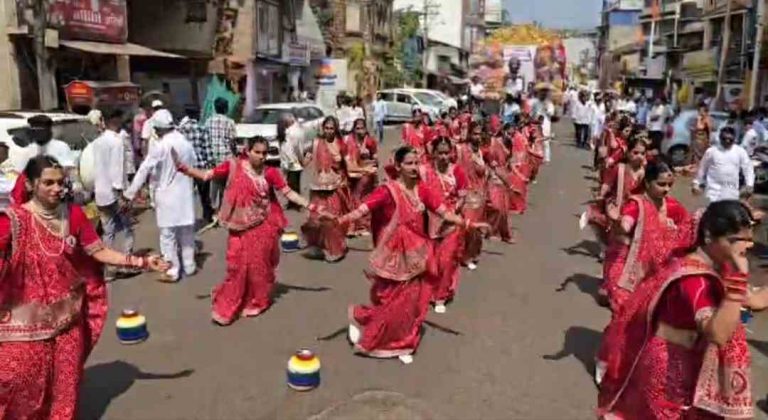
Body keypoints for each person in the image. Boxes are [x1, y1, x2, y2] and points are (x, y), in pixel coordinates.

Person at [0, 156, 168, 419]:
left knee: (65, 385)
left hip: (67, 318)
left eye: (60, 182)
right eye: (48, 183)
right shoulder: (13, 221)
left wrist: (142, 261)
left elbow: (99, 251)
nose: (56, 188)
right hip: (24, 322)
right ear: (31, 184)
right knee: (19, 381)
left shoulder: (73, 214)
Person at [597, 200, 754, 419]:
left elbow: (753, 301)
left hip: (679, 363)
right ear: (709, 236)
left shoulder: (707, 265)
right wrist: (738, 281)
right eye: (735, 240)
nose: (745, 247)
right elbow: (718, 333)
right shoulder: (695, 279)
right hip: (672, 373)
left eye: (748, 239)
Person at [339, 146, 477, 364]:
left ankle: (402, 341)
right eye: (409, 163)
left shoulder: (422, 190)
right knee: (392, 301)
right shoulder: (388, 191)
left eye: (416, 163)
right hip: (394, 257)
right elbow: (362, 210)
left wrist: (468, 223)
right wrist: (339, 221)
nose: (414, 168)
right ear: (398, 166)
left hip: (418, 253)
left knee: (411, 301)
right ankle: (364, 319)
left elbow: (444, 212)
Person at [176, 137, 316, 325]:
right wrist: (184, 169)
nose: (261, 157)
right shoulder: (233, 166)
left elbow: (288, 193)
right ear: (247, 151)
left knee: (258, 267)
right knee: (237, 267)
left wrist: (311, 206)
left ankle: (258, 301)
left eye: (264, 153)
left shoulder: (270, 172)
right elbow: (207, 175)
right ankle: (226, 308)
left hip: (263, 224)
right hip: (239, 227)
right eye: (257, 152)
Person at [599, 159, 691, 312]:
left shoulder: (674, 206)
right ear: (648, 183)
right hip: (627, 262)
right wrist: (616, 220)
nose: (666, 189)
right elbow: (625, 226)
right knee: (626, 307)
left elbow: (687, 230)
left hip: (657, 266)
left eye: (669, 185)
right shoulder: (636, 204)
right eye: (661, 184)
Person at [125, 111, 197, 282]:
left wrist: (130, 193)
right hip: (185, 195)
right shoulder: (186, 143)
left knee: (168, 236)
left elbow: (144, 169)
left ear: (159, 128)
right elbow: (194, 163)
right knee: (187, 233)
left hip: (167, 196)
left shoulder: (161, 146)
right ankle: (189, 265)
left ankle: (172, 270)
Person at [420, 138, 470, 313]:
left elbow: (463, 196)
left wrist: (453, 211)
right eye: (440, 153)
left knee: (446, 261)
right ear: (433, 153)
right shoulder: (424, 172)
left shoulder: (457, 171)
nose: (443, 157)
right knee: (430, 262)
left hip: (450, 223)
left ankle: (440, 296)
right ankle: (428, 292)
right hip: (428, 223)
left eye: (446, 153)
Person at [92, 109, 135, 280]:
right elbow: (117, 170)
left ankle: (108, 269)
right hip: (114, 193)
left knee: (108, 232)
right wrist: (122, 194)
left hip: (101, 193)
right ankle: (127, 263)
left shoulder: (97, 142)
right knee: (127, 229)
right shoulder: (117, 142)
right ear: (116, 120)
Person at [301, 116, 351, 262]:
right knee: (315, 219)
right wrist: (302, 160)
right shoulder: (316, 143)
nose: (329, 131)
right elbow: (305, 161)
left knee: (332, 220)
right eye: (326, 128)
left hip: (335, 187)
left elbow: (348, 165)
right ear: (323, 129)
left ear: (336, 129)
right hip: (318, 187)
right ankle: (318, 247)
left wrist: (346, 180)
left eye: (331, 128)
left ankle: (336, 250)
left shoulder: (341, 145)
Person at [586, 137, 647, 246]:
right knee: (614, 231)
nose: (639, 156)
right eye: (635, 152)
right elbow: (607, 183)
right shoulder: (620, 168)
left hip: (633, 206)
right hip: (617, 204)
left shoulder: (644, 172)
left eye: (642, 153)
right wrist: (601, 194)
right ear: (628, 153)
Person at [455, 121, 488, 270]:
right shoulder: (461, 150)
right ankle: (463, 256)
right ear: (469, 134)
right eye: (475, 134)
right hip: (466, 195)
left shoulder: (479, 151)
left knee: (476, 230)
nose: (478, 137)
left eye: (479, 134)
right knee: (467, 227)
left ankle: (470, 254)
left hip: (479, 195)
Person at [693, 126, 754, 204]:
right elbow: (702, 168)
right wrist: (696, 183)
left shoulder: (740, 152)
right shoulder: (711, 151)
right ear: (720, 138)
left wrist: (749, 184)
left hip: (731, 191)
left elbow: (748, 168)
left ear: (734, 138)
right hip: (712, 191)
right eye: (724, 138)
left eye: (730, 139)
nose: (727, 141)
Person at [178, 104, 215, 225]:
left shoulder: (181, 129)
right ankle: (207, 216)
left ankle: (186, 218)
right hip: (201, 166)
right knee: (204, 195)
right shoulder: (202, 128)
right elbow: (207, 148)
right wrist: (211, 164)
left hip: (186, 168)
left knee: (186, 195)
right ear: (197, 114)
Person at [344, 118, 378, 237]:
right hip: (352, 172)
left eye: (362, 128)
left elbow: (375, 157)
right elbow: (347, 160)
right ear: (353, 129)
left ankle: (363, 225)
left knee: (362, 198)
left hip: (367, 174)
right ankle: (354, 226)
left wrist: (371, 162)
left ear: (366, 129)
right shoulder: (349, 141)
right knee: (353, 198)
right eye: (357, 128)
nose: (360, 131)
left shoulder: (369, 141)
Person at [483, 116, 515, 243]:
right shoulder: (486, 140)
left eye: (499, 125)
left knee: (504, 209)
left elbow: (509, 157)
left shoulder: (505, 139)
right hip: (492, 176)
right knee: (495, 206)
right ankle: (491, 231)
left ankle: (505, 234)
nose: (497, 127)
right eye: (495, 124)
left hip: (503, 174)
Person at [205, 97, 237, 215]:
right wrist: (235, 155)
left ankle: (215, 210)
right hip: (226, 157)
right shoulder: (230, 122)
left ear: (215, 108)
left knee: (214, 184)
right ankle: (225, 210)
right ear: (226, 108)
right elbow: (233, 141)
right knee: (226, 184)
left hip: (212, 157)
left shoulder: (208, 122)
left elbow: (206, 139)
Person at [530, 85, 555, 163]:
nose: (542, 95)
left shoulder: (549, 104)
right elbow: (532, 112)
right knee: (535, 140)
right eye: (541, 93)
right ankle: (536, 156)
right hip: (536, 124)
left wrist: (546, 108)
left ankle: (546, 158)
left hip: (545, 124)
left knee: (545, 141)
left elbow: (551, 113)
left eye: (544, 93)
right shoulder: (535, 103)